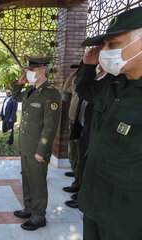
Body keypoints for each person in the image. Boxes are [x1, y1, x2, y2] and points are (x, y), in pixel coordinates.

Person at [76, 7, 142, 239]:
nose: (105, 51)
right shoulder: (114, 85)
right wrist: (87, 65)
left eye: (113, 44)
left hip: (126, 219)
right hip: (94, 203)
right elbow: (84, 91)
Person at [12, 56, 61, 231]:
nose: (28, 73)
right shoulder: (31, 90)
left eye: (31, 70)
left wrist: (42, 150)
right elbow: (16, 96)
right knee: (27, 178)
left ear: (41, 71)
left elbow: (50, 126)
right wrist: (20, 82)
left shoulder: (50, 94)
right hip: (26, 145)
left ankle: (39, 216)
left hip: (37, 149)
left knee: (38, 182)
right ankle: (28, 208)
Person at [61, 64, 81, 204]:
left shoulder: (88, 84)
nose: (75, 72)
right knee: (73, 152)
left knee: (80, 156)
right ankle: (76, 176)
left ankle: (80, 186)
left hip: (82, 125)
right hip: (73, 121)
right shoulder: (76, 82)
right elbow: (65, 96)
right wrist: (70, 78)